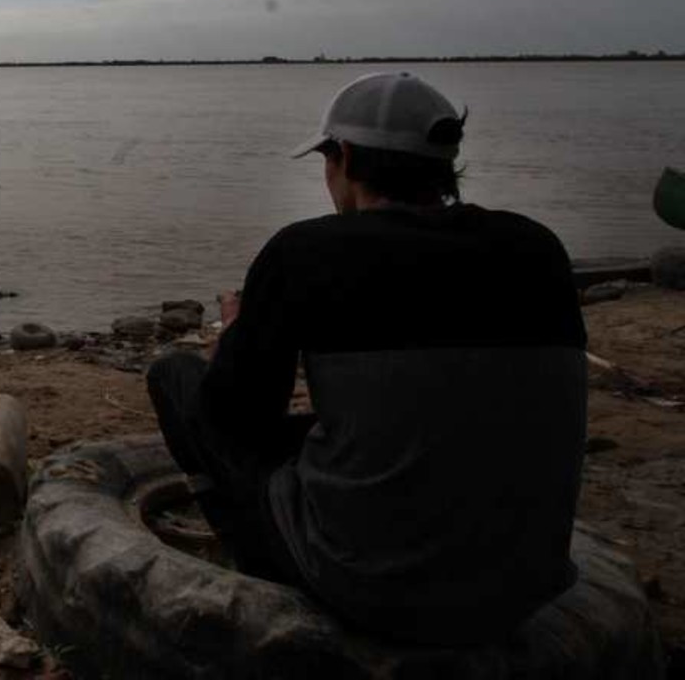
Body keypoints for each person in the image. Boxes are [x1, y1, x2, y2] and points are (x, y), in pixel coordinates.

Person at [147, 71, 588, 645]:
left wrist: (235, 335)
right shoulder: (539, 248)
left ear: (345, 156)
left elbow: (238, 420)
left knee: (176, 377)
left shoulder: (308, 251)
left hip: (371, 590)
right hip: (524, 589)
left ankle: (256, 564)